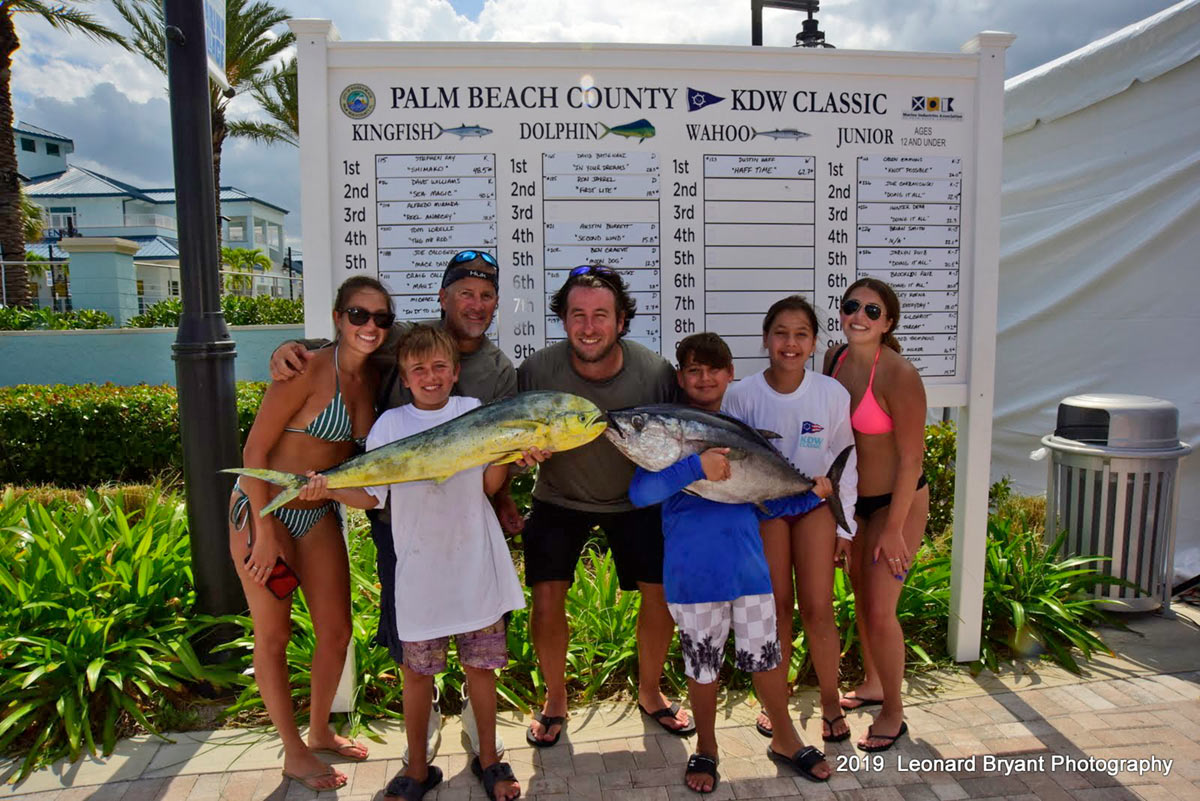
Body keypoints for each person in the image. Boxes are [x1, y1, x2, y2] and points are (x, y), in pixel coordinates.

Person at [269, 250, 516, 760]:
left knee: (479, 642)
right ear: (443, 297)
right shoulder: (400, 339)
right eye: (464, 293)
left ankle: (481, 733)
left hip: (469, 532)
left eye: (485, 295)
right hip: (400, 526)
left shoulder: (498, 372)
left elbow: (494, 467)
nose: (475, 304)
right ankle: (422, 735)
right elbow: (348, 342)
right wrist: (292, 348)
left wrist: (512, 471)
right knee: (413, 643)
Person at [299, 324, 526, 801]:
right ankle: (418, 769)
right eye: (418, 369)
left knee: (481, 671)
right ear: (404, 378)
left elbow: (488, 486)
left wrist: (508, 453)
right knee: (417, 675)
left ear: (455, 372)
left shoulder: (474, 412)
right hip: (420, 575)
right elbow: (372, 495)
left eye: (440, 367)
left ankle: (489, 759)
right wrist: (329, 488)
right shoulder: (389, 425)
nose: (430, 376)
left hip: (476, 568)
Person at [628, 333, 833, 793]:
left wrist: (811, 495)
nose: (704, 378)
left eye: (713, 369)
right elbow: (640, 493)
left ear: (729, 374)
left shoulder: (741, 432)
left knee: (766, 659)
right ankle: (707, 746)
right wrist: (696, 467)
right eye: (694, 370)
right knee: (703, 668)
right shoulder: (670, 436)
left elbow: (767, 504)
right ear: (681, 377)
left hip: (749, 573)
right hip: (694, 579)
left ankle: (785, 737)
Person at [518, 264, 694, 746]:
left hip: (636, 497)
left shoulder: (654, 372)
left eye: (600, 315)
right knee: (546, 597)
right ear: (563, 319)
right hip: (559, 495)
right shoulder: (537, 371)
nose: (589, 326)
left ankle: (651, 692)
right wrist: (518, 460)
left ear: (621, 321)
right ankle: (555, 698)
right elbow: (510, 440)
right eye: (577, 314)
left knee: (659, 594)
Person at [229, 275, 390, 792]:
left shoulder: (375, 377)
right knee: (273, 635)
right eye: (359, 315)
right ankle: (292, 751)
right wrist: (264, 531)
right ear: (339, 317)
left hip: (318, 512)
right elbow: (254, 452)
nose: (370, 326)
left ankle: (319, 730)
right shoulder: (307, 369)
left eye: (381, 318)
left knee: (337, 630)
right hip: (265, 508)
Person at [722, 295, 858, 745]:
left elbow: (845, 461)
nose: (790, 343)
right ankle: (774, 703)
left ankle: (831, 701)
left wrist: (846, 527)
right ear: (766, 339)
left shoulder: (831, 394)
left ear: (814, 343)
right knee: (776, 607)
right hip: (766, 509)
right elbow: (731, 464)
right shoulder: (741, 395)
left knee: (818, 607)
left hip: (816, 506)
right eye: (781, 333)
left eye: (801, 334)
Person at [825, 278, 928, 753]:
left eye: (872, 311)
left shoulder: (899, 375)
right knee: (863, 600)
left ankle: (894, 711)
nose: (859, 317)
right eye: (852, 306)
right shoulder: (834, 360)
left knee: (882, 611)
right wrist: (840, 517)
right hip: (855, 504)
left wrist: (894, 528)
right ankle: (872, 683)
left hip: (896, 504)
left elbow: (911, 460)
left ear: (888, 323)